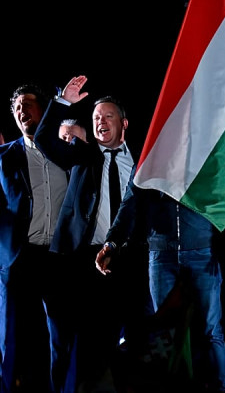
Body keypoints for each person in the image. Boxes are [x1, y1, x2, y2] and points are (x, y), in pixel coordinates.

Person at [95, 180, 225, 393]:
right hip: (161, 256)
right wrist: (112, 243)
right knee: (165, 335)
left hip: (202, 253)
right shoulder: (148, 160)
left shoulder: (203, 161)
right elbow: (130, 203)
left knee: (210, 331)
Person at [34, 75, 142, 392]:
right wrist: (62, 103)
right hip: (84, 261)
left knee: (130, 343)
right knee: (87, 346)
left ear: (124, 123)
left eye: (108, 116)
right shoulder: (83, 154)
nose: (100, 122)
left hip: (130, 261)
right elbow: (44, 140)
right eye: (95, 118)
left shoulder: (143, 160)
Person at [0, 84, 70, 392]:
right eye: (17, 107)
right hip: (19, 258)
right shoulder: (3, 157)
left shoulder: (65, 151)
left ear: (43, 110)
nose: (21, 110)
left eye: (28, 104)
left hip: (58, 257)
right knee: (11, 339)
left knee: (61, 338)